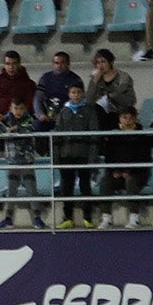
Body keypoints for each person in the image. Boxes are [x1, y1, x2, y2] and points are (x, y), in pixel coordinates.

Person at [0, 96, 42, 229]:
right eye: (15, 108)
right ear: (10, 108)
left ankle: (37, 218)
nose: (18, 111)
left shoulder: (29, 119)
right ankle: (8, 218)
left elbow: (29, 130)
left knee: (31, 190)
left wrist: (15, 130)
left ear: (25, 109)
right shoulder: (6, 120)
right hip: (12, 161)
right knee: (11, 191)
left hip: (27, 161)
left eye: (21, 108)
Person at [52, 82, 101, 229]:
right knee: (66, 187)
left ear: (83, 94)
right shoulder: (63, 111)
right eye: (73, 92)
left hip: (84, 155)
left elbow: (94, 135)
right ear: (69, 94)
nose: (76, 95)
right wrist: (56, 157)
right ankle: (68, 217)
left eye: (79, 92)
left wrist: (92, 157)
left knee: (85, 187)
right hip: (66, 155)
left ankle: (88, 217)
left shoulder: (89, 111)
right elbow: (57, 135)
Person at [97, 106, 153, 228]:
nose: (127, 120)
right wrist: (115, 171)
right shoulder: (113, 135)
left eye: (130, 118)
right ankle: (106, 217)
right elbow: (109, 157)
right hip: (117, 173)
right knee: (105, 182)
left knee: (131, 181)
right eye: (124, 117)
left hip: (138, 174)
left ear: (135, 119)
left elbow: (144, 158)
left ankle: (134, 217)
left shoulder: (142, 136)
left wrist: (130, 171)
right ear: (119, 118)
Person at [0, 49, 37, 136]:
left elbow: (31, 103)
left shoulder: (28, 84)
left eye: (14, 63)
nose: (11, 67)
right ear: (4, 65)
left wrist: (19, 114)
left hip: (21, 118)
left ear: (19, 64)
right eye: (8, 64)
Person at [87, 47, 136, 130]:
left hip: (120, 111)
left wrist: (109, 95)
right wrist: (94, 82)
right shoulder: (96, 78)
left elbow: (127, 99)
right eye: (98, 63)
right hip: (102, 114)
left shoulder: (123, 77)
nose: (100, 65)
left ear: (110, 62)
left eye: (103, 62)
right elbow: (89, 100)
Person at [31, 50, 80, 131]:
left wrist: (63, 116)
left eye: (62, 63)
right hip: (47, 118)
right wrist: (40, 115)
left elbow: (79, 102)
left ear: (68, 64)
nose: (59, 66)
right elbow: (37, 99)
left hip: (68, 118)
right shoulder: (45, 78)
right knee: (37, 126)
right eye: (56, 63)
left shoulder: (75, 80)